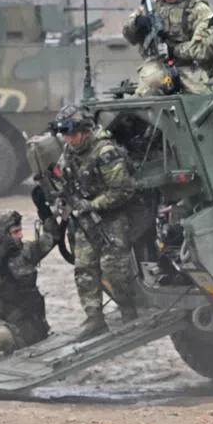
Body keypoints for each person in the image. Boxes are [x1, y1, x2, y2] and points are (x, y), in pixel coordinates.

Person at [53, 104, 142, 339]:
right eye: (66, 135)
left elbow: (123, 190)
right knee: (84, 269)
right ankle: (94, 319)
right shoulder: (70, 152)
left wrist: (92, 205)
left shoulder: (105, 152)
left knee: (114, 269)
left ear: (85, 130)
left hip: (111, 218)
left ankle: (128, 310)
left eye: (73, 134)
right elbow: (64, 178)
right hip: (85, 219)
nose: (69, 139)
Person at [0, 203, 59, 363]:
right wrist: (1, 264)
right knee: (0, 338)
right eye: (15, 232)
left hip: (28, 321)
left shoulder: (24, 252)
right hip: (2, 323)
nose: (20, 236)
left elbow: (50, 239)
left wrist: (47, 215)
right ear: (2, 237)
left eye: (20, 231)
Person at [121, 0, 213, 95]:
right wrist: (136, 24)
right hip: (156, 64)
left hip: (189, 65)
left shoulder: (198, 9)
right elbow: (129, 36)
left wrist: (174, 50)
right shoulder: (150, 7)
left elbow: (203, 48)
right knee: (148, 86)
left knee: (206, 94)